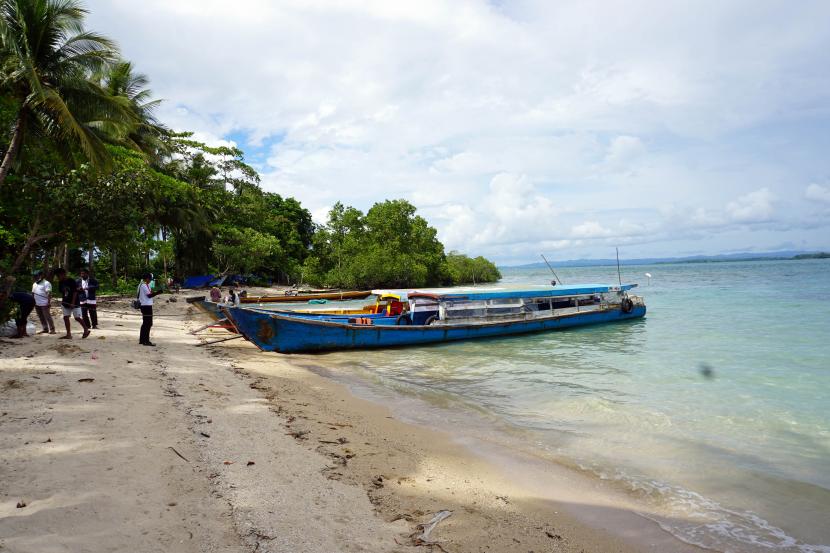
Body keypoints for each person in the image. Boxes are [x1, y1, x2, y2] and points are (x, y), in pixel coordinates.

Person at [55, 268, 89, 339]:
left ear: (63, 274)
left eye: (58, 276)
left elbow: (75, 292)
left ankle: (86, 329)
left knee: (77, 317)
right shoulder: (60, 282)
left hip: (74, 302)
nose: (58, 277)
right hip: (65, 302)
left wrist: (73, 302)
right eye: (57, 276)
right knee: (66, 317)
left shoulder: (71, 281)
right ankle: (68, 334)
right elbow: (63, 292)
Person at [138, 272, 164, 346]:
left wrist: (156, 292)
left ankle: (142, 340)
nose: (150, 280)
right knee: (148, 323)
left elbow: (150, 293)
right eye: (150, 279)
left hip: (146, 305)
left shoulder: (146, 285)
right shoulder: (143, 285)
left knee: (145, 323)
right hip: (146, 306)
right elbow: (149, 295)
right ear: (146, 279)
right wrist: (158, 292)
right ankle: (146, 341)